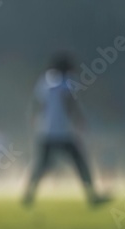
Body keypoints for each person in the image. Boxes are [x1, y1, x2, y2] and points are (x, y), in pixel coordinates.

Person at [22, 52, 109, 207]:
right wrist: (79, 120)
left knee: (41, 165)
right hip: (62, 132)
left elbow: (39, 105)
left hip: (46, 131)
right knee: (80, 163)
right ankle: (92, 196)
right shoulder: (67, 82)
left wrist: (35, 120)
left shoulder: (45, 81)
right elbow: (70, 103)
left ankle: (28, 195)